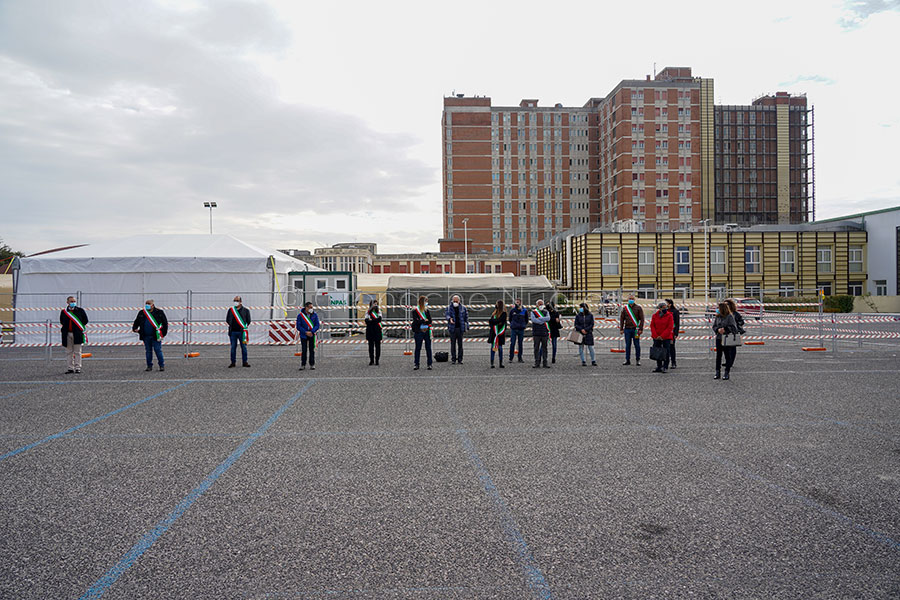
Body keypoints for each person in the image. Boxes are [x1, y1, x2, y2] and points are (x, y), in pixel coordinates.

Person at [132, 299, 168, 372]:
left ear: (153, 305)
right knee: (148, 351)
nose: (147, 305)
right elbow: (137, 321)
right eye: (146, 304)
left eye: (149, 304)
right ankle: (149, 365)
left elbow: (165, 323)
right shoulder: (142, 313)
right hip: (146, 336)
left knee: (158, 350)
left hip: (156, 335)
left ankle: (161, 365)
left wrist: (163, 334)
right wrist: (134, 328)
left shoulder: (159, 312)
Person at [60, 295, 88, 374]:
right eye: (71, 301)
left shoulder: (80, 310)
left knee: (77, 352)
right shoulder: (64, 312)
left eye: (74, 301)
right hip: (67, 334)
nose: (73, 303)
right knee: (69, 352)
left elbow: (85, 320)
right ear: (67, 302)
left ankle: (77, 367)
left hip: (77, 334)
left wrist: (77, 328)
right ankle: (70, 368)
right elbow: (62, 321)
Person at [713, 301, 739, 380]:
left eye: (718, 308)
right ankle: (717, 372)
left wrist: (725, 329)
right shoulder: (717, 317)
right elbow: (714, 326)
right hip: (719, 338)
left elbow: (734, 328)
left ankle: (727, 372)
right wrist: (718, 330)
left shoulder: (730, 317)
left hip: (727, 338)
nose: (717, 310)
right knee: (718, 356)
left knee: (727, 356)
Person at [618, 294, 644, 366]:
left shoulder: (638, 308)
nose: (631, 300)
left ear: (634, 299)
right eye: (630, 299)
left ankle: (638, 360)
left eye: (632, 298)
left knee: (637, 345)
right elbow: (622, 319)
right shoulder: (625, 308)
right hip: (627, 329)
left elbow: (642, 319)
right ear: (627, 300)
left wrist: (641, 329)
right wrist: (621, 329)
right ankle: (627, 360)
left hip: (636, 330)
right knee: (627, 345)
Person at [226, 295, 251, 368]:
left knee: (244, 347)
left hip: (242, 332)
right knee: (233, 348)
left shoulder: (246, 310)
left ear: (240, 302)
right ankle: (233, 362)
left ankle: (245, 362)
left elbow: (248, 321)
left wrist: (244, 327)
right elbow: (227, 320)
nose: (235, 302)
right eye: (234, 300)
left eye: (237, 301)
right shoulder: (231, 310)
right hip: (233, 332)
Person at [650, 301, 674, 373]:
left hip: (666, 337)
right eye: (663, 307)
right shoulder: (654, 316)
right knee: (658, 351)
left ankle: (665, 366)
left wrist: (662, 336)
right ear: (659, 308)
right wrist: (656, 335)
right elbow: (652, 326)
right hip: (656, 337)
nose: (665, 309)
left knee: (666, 351)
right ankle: (659, 366)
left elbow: (670, 327)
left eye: (665, 307)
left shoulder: (669, 316)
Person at [444, 294, 469, 364]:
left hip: (460, 328)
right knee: (453, 344)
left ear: (459, 301)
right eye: (454, 301)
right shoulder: (449, 308)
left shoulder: (463, 308)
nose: (455, 302)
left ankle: (460, 359)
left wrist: (467, 326)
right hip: (452, 328)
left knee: (460, 345)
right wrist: (449, 319)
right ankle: (453, 359)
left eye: (456, 301)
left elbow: (466, 318)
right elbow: (446, 315)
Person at [295, 302, 320, 371]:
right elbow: (298, 326)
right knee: (304, 350)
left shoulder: (314, 315)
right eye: (310, 307)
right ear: (306, 308)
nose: (311, 309)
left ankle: (312, 364)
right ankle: (303, 364)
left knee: (312, 350)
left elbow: (317, 325)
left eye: (312, 307)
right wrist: (306, 332)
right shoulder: (300, 316)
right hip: (304, 335)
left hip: (312, 334)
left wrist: (312, 332)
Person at [411, 295, 433, 370]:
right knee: (418, 348)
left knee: (428, 348)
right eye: (426, 301)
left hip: (426, 331)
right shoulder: (415, 311)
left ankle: (429, 364)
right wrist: (424, 321)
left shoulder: (427, 311)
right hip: (419, 331)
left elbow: (430, 320)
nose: (427, 303)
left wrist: (424, 321)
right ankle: (416, 364)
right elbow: (416, 321)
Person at [573, 302, 597, 366]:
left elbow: (592, 324)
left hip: (588, 333)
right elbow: (576, 324)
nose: (580, 309)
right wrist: (581, 329)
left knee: (591, 347)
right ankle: (583, 360)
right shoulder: (578, 315)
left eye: (581, 307)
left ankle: (593, 360)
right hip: (580, 333)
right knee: (581, 347)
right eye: (580, 307)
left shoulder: (590, 315)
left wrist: (586, 330)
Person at [530, 299, 551, 368]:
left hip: (544, 332)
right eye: (540, 304)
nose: (541, 306)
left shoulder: (546, 311)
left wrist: (539, 319)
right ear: (536, 305)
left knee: (545, 348)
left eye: (542, 304)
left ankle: (545, 362)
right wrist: (542, 320)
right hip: (536, 333)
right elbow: (534, 320)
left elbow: (548, 318)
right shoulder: (533, 312)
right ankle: (537, 362)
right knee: (536, 348)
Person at [488, 300, 507, 369]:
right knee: (493, 348)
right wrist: (495, 322)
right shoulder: (494, 314)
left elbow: (501, 321)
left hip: (500, 334)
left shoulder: (504, 314)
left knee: (500, 348)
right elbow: (491, 322)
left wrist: (494, 322)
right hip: (493, 333)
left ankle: (500, 362)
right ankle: (492, 363)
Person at [508, 298, 528, 363]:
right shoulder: (512, 310)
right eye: (516, 302)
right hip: (514, 329)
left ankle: (520, 358)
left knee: (520, 344)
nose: (517, 303)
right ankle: (511, 358)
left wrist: (523, 324)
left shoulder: (524, 310)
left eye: (518, 302)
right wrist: (513, 324)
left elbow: (526, 319)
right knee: (512, 343)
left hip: (521, 329)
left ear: (521, 303)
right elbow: (510, 319)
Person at [365, 299, 383, 366]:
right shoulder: (367, 312)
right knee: (370, 346)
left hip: (377, 330)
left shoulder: (379, 312)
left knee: (378, 346)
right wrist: (374, 320)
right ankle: (371, 360)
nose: (375, 305)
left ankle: (377, 360)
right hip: (370, 330)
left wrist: (371, 320)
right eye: (374, 304)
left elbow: (379, 319)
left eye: (376, 304)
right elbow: (366, 321)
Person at [665, 298, 681, 369]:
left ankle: (673, 362)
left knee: (671, 347)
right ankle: (665, 362)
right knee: (665, 348)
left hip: (672, 332)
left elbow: (677, 323)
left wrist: (676, 333)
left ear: (670, 304)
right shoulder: (664, 311)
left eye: (666, 303)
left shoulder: (675, 311)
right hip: (664, 332)